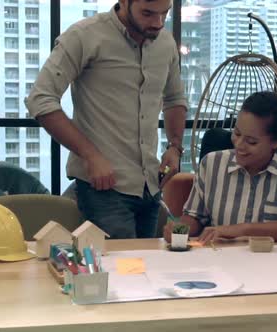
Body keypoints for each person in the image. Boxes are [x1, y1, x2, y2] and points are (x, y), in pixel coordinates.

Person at [25, 0, 188, 239]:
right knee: (118, 271)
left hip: (150, 186)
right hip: (103, 187)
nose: (158, 23)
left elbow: (174, 98)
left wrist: (175, 147)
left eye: (165, 13)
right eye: (148, 13)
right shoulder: (84, 36)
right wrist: (91, 156)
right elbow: (40, 99)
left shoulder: (165, 42)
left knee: (147, 270)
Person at [164, 91, 277, 244]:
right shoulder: (211, 164)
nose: (238, 145)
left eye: (251, 142)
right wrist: (179, 229)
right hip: (219, 261)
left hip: (273, 264)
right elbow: (195, 217)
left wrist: (241, 230)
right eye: (236, 133)